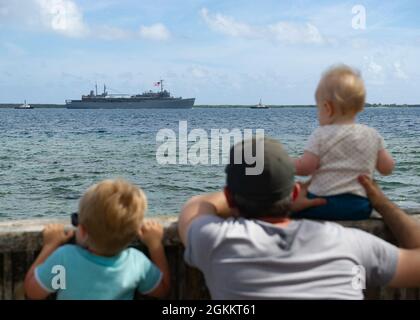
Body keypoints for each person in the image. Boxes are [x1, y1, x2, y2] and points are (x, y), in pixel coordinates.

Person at [179, 137, 420, 299]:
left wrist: (243, 195)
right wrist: (380, 201)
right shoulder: (349, 243)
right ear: (294, 192)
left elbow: (197, 205)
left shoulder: (215, 240)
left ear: (230, 198)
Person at [24, 179, 170, 300]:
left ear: (82, 231)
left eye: (77, 219)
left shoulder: (64, 259)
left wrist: (50, 245)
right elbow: (162, 290)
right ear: (134, 234)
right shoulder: (137, 263)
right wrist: (155, 245)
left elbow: (33, 292)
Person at [293, 65, 395, 220]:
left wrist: (284, 164)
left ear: (327, 108)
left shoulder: (320, 134)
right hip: (360, 207)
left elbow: (306, 168)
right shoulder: (372, 134)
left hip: (322, 205)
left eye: (318, 108)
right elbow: (387, 168)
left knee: (295, 195)